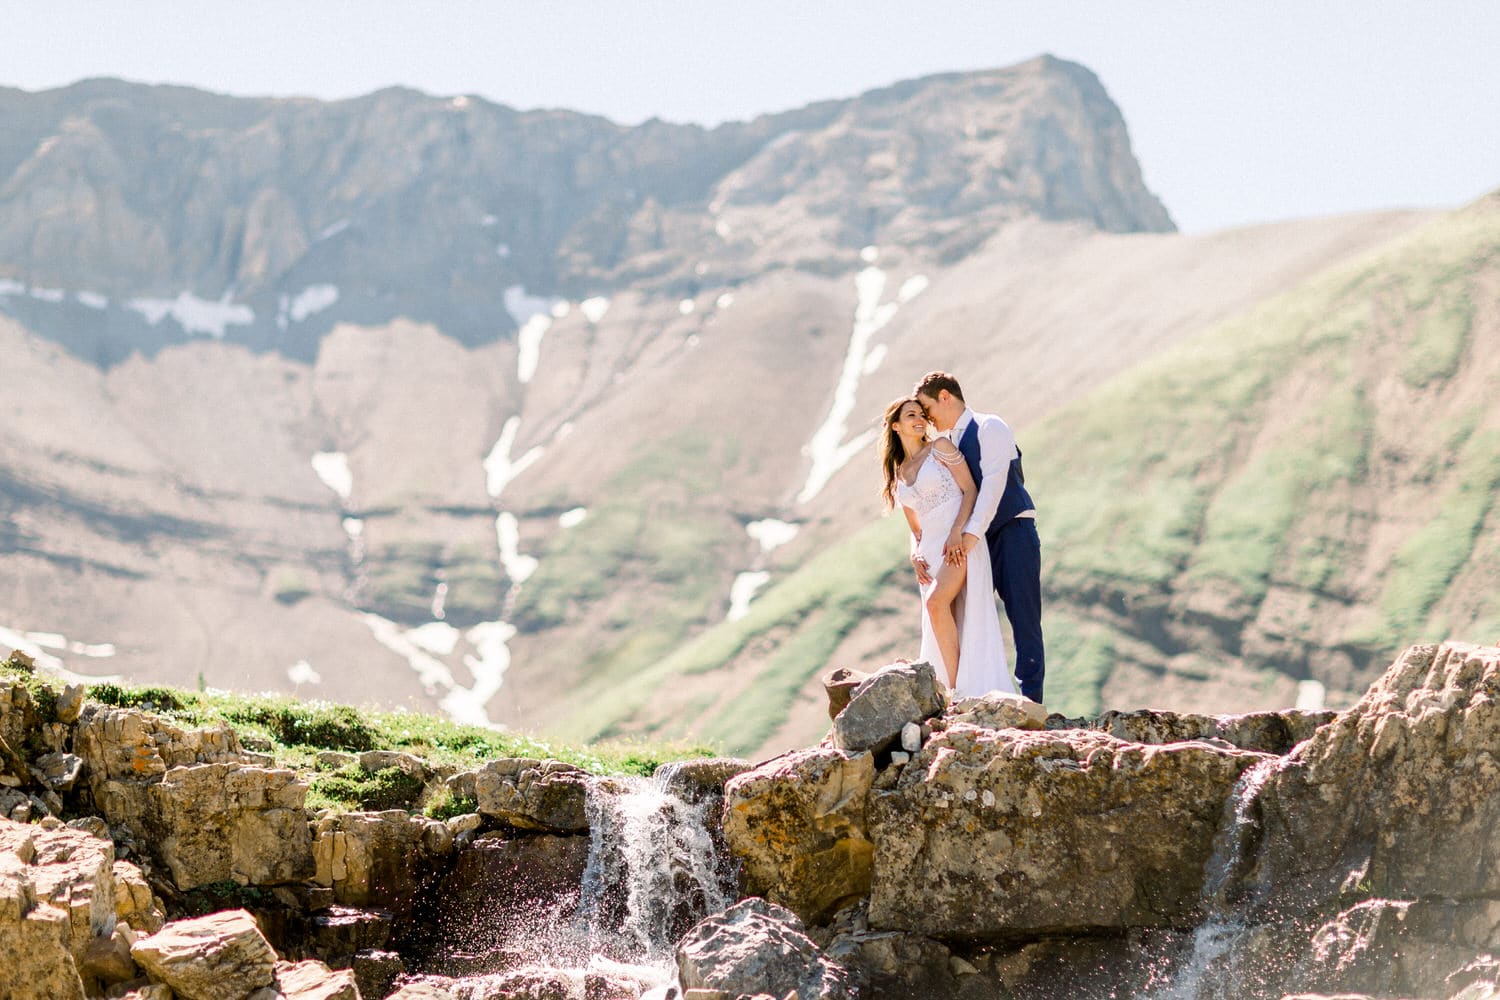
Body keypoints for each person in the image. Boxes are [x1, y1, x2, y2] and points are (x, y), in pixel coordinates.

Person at [913, 371, 1045, 703]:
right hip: (974, 544)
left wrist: (969, 536)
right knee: (969, 614)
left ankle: (1032, 703)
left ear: (945, 396)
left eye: (928, 408)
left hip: (1011, 531)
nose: (927, 418)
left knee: (1022, 616)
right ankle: (971, 692)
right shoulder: (945, 446)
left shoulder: (990, 427)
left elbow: (993, 486)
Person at [879, 395, 1016, 698]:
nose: (919, 420)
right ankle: (950, 690)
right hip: (929, 552)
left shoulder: (940, 447)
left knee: (935, 604)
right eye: (911, 415)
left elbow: (970, 489)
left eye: (921, 415)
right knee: (946, 616)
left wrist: (958, 532)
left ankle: (957, 691)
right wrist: (913, 554)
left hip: (956, 544)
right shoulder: (900, 474)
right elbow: (915, 527)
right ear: (896, 426)